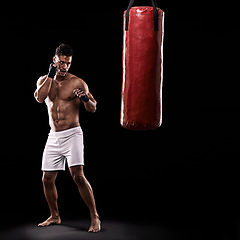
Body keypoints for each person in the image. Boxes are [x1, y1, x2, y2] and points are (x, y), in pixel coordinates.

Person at [34, 43, 101, 232]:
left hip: (73, 134)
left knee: (78, 176)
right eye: (61, 62)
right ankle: (55, 216)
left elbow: (93, 108)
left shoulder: (77, 82)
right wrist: (49, 76)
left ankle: (95, 217)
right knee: (47, 178)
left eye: (68, 63)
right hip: (53, 136)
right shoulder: (44, 80)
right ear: (54, 60)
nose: (64, 67)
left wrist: (86, 99)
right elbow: (39, 98)